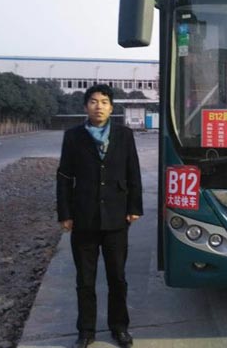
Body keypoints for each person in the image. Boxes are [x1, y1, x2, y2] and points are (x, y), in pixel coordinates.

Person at [56, 84, 143, 348]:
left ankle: (120, 327)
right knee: (85, 279)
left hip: (116, 218)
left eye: (104, 102)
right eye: (93, 102)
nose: (99, 107)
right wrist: (65, 213)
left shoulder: (124, 135)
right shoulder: (73, 136)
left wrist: (134, 207)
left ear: (112, 107)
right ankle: (86, 331)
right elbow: (64, 177)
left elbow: (133, 172)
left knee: (117, 277)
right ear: (86, 106)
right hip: (84, 218)